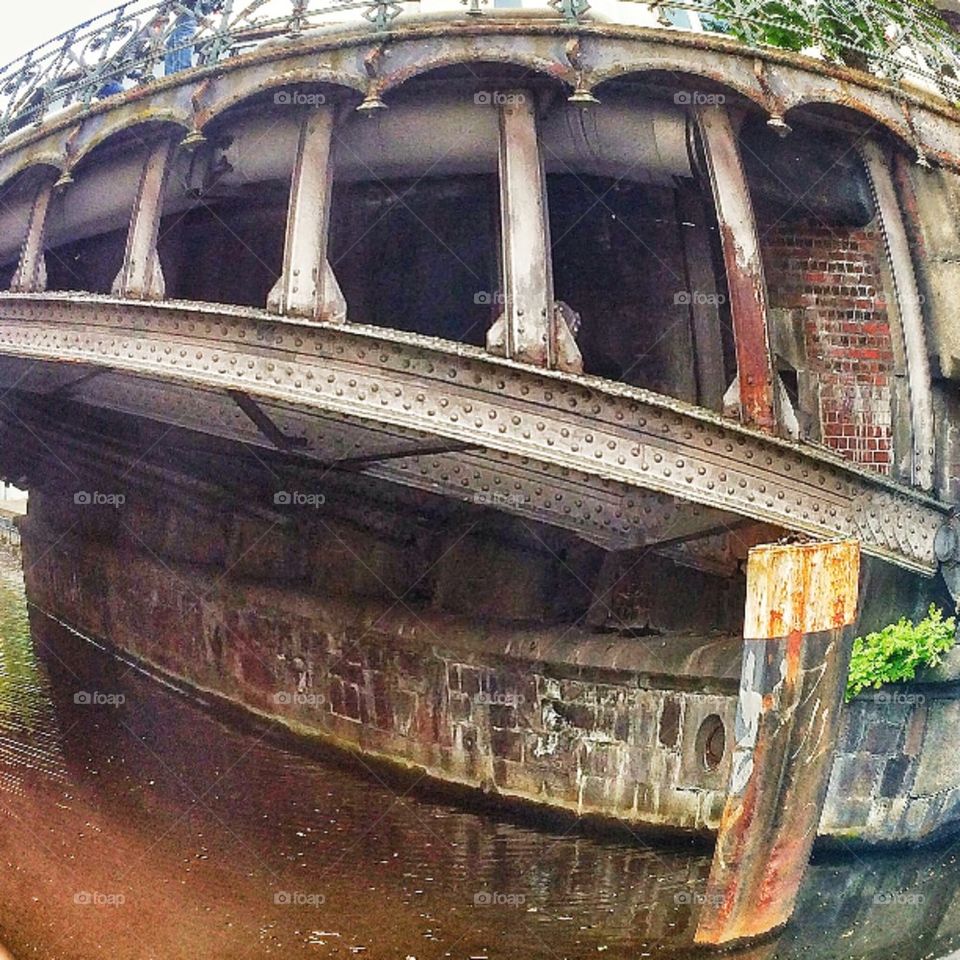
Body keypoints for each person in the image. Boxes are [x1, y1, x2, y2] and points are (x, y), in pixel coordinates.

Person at [165, 1, 222, 76]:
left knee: (184, 33)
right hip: (191, 7)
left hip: (196, 5)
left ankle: (183, 70)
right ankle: (171, 74)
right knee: (172, 42)